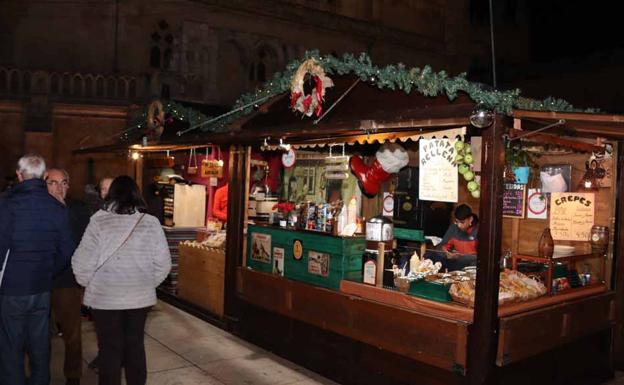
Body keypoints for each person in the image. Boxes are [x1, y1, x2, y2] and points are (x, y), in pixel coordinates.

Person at [72, 175, 171, 385]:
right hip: (139, 300)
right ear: (136, 194)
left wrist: (89, 283)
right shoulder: (151, 223)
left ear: (112, 194)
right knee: (135, 346)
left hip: (105, 300)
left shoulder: (99, 221)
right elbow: (163, 264)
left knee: (110, 350)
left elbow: (81, 262)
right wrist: (144, 284)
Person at [0, 154, 74, 385]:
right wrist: (48, 271)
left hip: (12, 288)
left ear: (19, 176)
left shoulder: (7, 205)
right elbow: (66, 250)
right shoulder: (56, 207)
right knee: (40, 344)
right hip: (42, 286)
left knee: (12, 346)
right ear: (44, 177)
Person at [46, 168, 91, 385]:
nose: (59, 188)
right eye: (53, 183)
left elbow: (85, 244)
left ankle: (73, 377)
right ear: (44, 185)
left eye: (63, 183)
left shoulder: (78, 210)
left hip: (66, 281)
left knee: (72, 334)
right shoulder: (37, 209)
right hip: (40, 282)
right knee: (38, 335)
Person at [436, 204, 479, 270]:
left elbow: (483, 256)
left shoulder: (479, 230)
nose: (459, 225)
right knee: (431, 255)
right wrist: (447, 253)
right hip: (456, 264)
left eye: (462, 222)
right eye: (456, 222)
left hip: (473, 266)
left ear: (470, 219)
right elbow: (442, 246)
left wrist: (462, 256)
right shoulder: (453, 228)